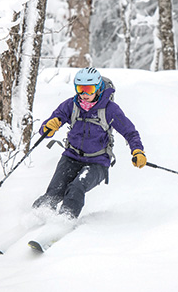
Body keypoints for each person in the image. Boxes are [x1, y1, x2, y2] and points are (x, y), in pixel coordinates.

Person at [33, 66, 147, 219]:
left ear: (98, 88)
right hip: (71, 157)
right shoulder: (71, 105)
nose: (84, 94)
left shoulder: (110, 110)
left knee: (76, 188)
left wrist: (137, 151)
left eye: (89, 89)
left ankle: (63, 221)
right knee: (55, 191)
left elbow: (130, 132)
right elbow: (46, 130)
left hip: (97, 162)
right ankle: (36, 217)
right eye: (80, 88)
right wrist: (48, 127)